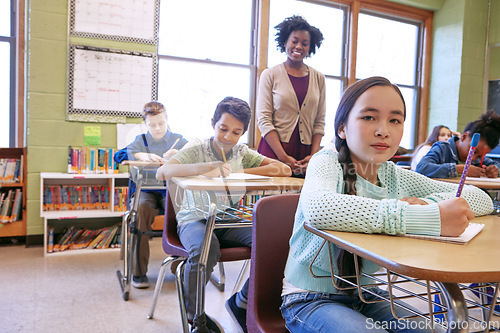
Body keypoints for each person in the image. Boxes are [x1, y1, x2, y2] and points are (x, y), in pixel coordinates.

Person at [280, 76, 493, 333]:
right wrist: (422, 215)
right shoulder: (327, 161)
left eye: (395, 120)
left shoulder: (394, 174)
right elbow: (320, 209)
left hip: (368, 296)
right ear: (342, 128)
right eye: (369, 117)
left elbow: (481, 198)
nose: (384, 130)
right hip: (309, 299)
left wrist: (426, 203)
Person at [156, 97, 291, 333]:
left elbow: (284, 169)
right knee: (205, 249)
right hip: (194, 218)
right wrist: (206, 168)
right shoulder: (198, 147)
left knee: (280, 244)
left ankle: (241, 303)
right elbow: (162, 172)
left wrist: (236, 171)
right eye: (224, 129)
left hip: (227, 218)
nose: (228, 137)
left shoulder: (241, 152)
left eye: (236, 132)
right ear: (213, 124)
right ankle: (196, 319)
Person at [114, 101, 188, 289]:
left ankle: (179, 269)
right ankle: (138, 273)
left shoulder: (177, 139)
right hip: (145, 190)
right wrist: (140, 156)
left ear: (167, 120)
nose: (157, 128)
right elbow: (119, 155)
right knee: (140, 210)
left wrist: (180, 154)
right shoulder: (141, 141)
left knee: (182, 212)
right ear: (145, 125)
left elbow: (197, 156)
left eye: (161, 123)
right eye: (152, 125)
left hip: (169, 189)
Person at [256, 15, 325, 176]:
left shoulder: (319, 78)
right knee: (270, 200)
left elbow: (319, 121)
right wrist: (283, 157)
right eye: (294, 41)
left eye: (304, 43)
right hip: (273, 152)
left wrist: (314, 156)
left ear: (310, 46)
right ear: (285, 41)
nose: (299, 46)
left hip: (305, 155)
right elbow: (264, 120)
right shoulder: (270, 74)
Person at [416, 110, 500, 178]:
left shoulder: (477, 159)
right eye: (473, 150)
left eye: (479, 156)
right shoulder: (442, 149)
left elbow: (496, 166)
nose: (473, 158)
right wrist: (459, 169)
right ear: (464, 136)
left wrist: (495, 170)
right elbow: (421, 168)